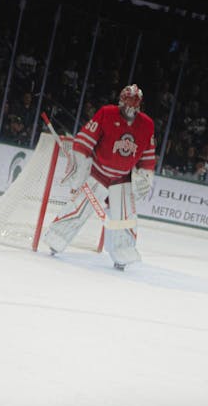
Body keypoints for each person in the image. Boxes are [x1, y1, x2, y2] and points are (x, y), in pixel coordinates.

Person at [43, 84, 156, 270]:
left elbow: (147, 155)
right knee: (79, 208)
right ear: (120, 100)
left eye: (134, 103)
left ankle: (122, 254)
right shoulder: (107, 113)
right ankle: (56, 238)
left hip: (121, 179)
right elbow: (85, 140)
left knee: (125, 218)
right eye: (128, 101)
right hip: (98, 172)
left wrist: (145, 175)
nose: (130, 106)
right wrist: (81, 166)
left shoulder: (147, 124)